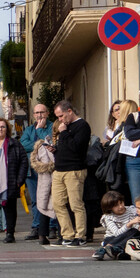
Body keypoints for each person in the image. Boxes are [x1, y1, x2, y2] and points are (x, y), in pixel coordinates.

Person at [51, 100, 91, 246]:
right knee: (58, 204)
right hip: (59, 170)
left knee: (76, 205)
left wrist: (64, 133)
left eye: (61, 116)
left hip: (74, 170)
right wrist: (55, 150)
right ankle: (67, 234)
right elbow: (66, 147)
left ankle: (80, 236)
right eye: (57, 117)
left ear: (69, 111)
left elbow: (77, 147)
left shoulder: (82, 126)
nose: (60, 120)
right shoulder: (65, 127)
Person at [19, 104, 55, 241]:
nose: (39, 115)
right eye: (37, 113)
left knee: (50, 198)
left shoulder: (53, 127)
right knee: (35, 200)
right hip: (32, 171)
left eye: (42, 112)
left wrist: (39, 131)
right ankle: (37, 226)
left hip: (48, 169)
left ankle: (52, 226)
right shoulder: (28, 129)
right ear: (33, 115)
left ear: (47, 113)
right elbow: (23, 145)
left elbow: (49, 143)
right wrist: (39, 143)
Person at [29, 123, 58, 246]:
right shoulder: (43, 144)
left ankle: (53, 232)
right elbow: (24, 144)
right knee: (44, 202)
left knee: (56, 203)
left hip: (54, 176)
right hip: (45, 176)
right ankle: (43, 233)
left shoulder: (58, 143)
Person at [93, 191, 140, 260]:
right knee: (130, 234)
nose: (121, 207)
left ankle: (113, 250)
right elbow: (116, 233)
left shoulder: (131, 210)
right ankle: (111, 248)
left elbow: (136, 228)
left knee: (138, 232)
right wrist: (130, 223)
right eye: (116, 205)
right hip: (113, 239)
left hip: (128, 237)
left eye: (121, 203)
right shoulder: (108, 217)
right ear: (110, 207)